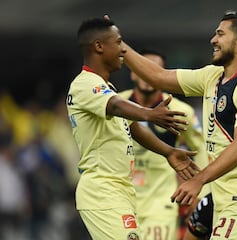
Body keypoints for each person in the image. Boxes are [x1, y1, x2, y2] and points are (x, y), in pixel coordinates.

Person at [116, 9, 237, 239]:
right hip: (224, 199)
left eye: (220, 34)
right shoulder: (212, 76)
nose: (213, 40)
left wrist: (198, 180)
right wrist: (118, 43)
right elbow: (158, 77)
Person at [66, 17, 200, 240]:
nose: (123, 50)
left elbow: (134, 128)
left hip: (121, 190)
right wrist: (151, 113)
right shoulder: (85, 84)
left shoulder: (106, 87)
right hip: (103, 191)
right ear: (98, 46)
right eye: (118, 43)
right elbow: (116, 106)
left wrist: (168, 152)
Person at [119, 49, 209, 240]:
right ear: (133, 72)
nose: (147, 75)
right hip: (120, 200)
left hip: (160, 204)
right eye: (142, 69)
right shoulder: (117, 103)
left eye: (154, 70)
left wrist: (201, 191)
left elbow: (200, 149)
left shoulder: (180, 110)